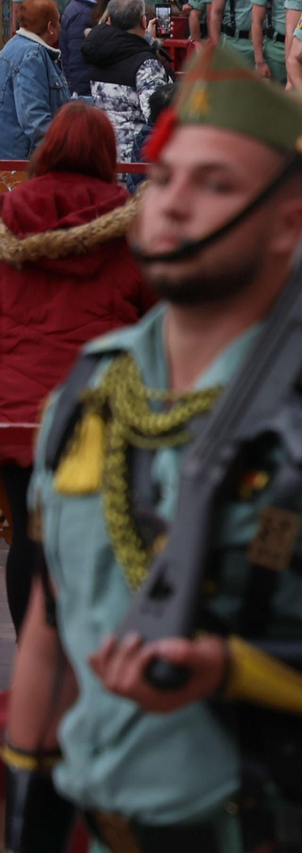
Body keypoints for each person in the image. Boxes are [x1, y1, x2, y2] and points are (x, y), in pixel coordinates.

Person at [4, 42, 302, 851]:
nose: (175, 203)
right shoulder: (89, 397)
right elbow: (55, 629)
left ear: (288, 225)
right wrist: (29, 818)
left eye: (216, 183)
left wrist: (237, 668)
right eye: (164, 179)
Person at [0, 103, 154, 631]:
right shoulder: (130, 230)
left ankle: (31, 656)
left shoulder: (8, 218)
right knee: (97, 535)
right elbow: (156, 318)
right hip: (96, 409)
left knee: (26, 531)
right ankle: (81, 655)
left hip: (15, 413)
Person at [82, 0, 173, 164]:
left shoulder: (98, 51)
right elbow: (155, 116)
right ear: (143, 21)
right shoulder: (147, 64)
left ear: (109, 21)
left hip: (101, 153)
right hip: (134, 158)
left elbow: (127, 49)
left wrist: (151, 43)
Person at [0, 0, 70, 160]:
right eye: (58, 21)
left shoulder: (13, 45)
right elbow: (34, 119)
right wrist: (64, 149)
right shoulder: (32, 55)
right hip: (24, 160)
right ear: (50, 26)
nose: (60, 26)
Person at [60, 0, 107, 97]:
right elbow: (79, 62)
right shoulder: (83, 15)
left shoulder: (81, 8)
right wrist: (85, 96)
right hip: (86, 92)